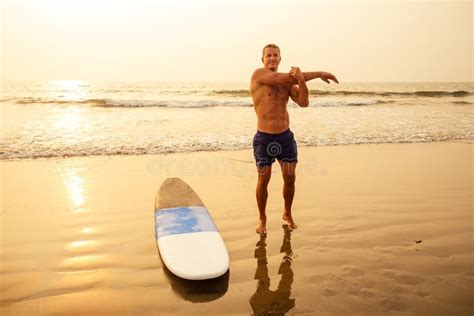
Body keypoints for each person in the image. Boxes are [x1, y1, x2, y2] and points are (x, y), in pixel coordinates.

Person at [250, 43, 339, 234]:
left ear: (280, 59)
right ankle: (262, 218)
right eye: (269, 55)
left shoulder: (287, 83)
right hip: (264, 139)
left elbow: (304, 102)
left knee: (289, 178)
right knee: (263, 178)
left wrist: (302, 81)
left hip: (285, 138)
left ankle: (287, 213)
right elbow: (282, 77)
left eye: (276, 55)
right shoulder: (259, 75)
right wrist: (319, 73)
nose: (272, 58)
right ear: (263, 60)